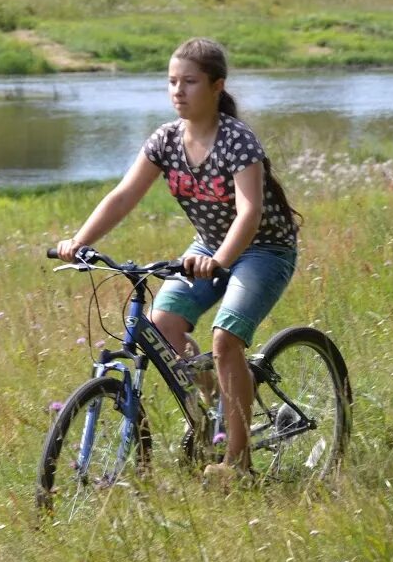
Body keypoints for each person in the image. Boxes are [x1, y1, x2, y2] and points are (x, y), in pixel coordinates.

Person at [55, 37, 300, 480]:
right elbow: (125, 194)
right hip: (208, 246)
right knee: (161, 326)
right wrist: (79, 241)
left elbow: (250, 211)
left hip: (263, 249)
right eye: (171, 82)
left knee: (226, 340)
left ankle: (238, 464)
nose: (178, 91)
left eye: (189, 82)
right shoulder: (166, 140)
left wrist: (222, 259)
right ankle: (220, 405)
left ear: (216, 86)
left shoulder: (237, 140)